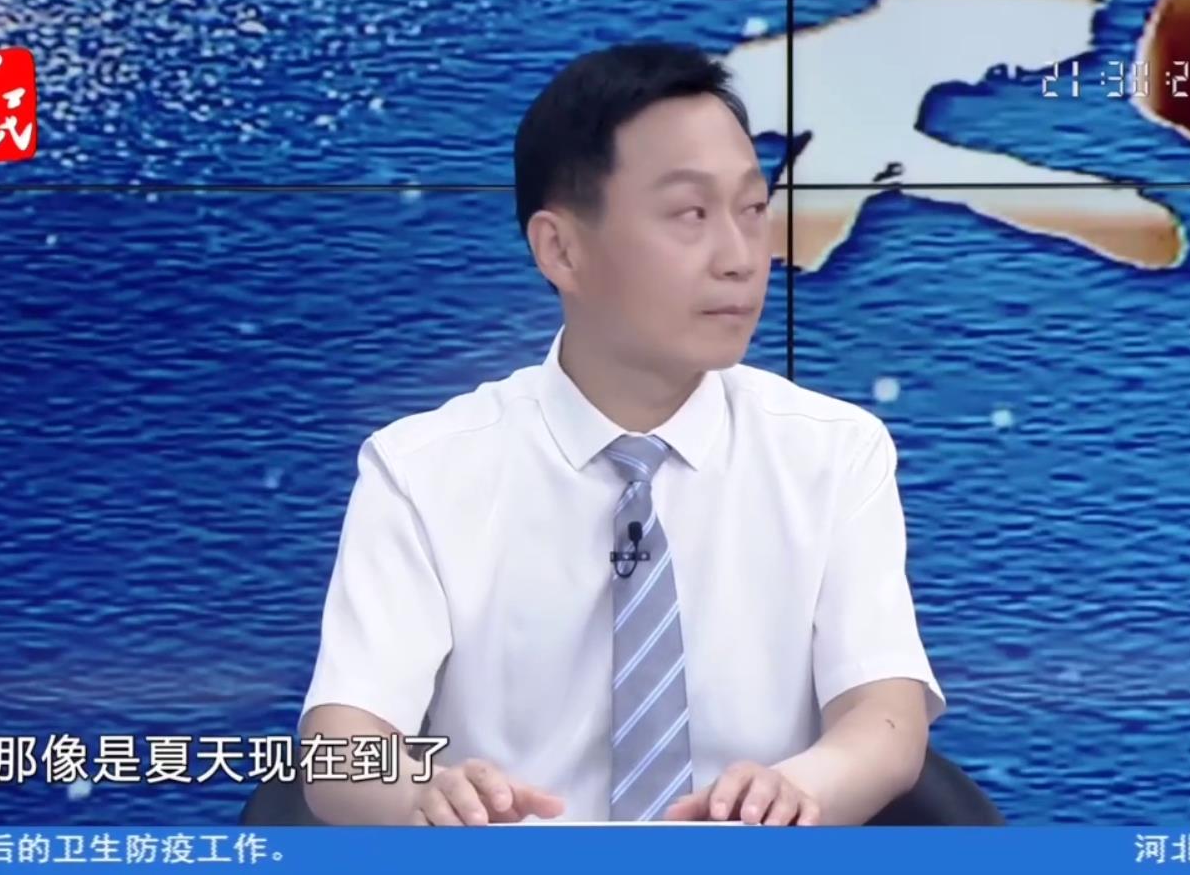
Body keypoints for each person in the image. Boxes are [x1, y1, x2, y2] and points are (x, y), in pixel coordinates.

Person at [298, 41, 945, 827]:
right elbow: (340, 744)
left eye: (752, 210)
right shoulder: (421, 470)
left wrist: (804, 786)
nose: (741, 258)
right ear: (561, 249)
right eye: (690, 215)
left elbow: (885, 717)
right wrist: (420, 798)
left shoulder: (834, 453)